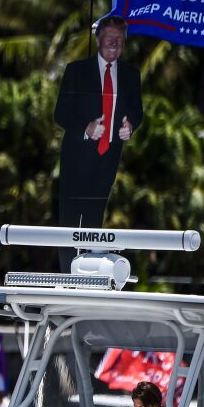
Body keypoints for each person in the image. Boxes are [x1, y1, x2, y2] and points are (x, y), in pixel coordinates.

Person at [54, 16, 144, 272]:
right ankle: (66, 275)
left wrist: (130, 126)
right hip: (76, 158)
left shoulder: (130, 75)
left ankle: (87, 272)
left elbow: (137, 111)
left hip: (108, 158)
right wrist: (86, 128)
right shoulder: (76, 70)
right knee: (70, 222)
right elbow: (60, 114)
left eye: (119, 39)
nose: (114, 44)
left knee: (95, 219)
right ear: (98, 40)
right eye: (109, 38)